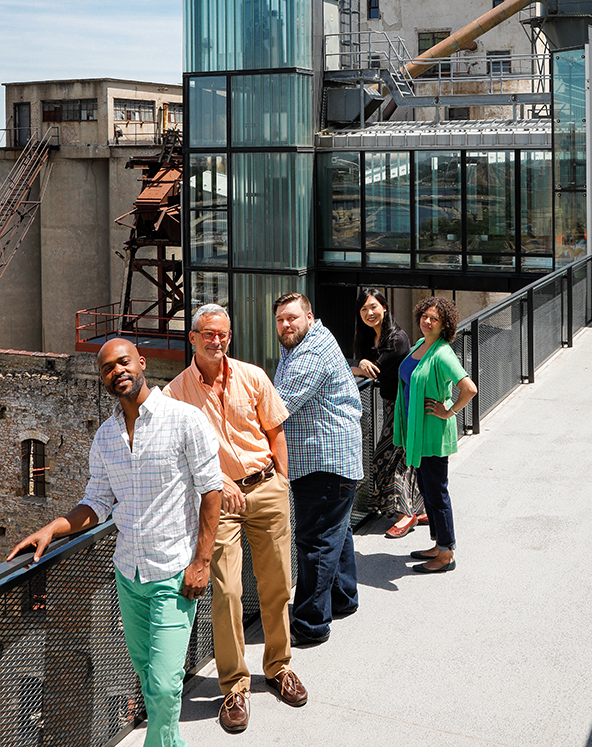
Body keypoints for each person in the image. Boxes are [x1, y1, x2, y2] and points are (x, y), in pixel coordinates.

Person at [7, 338, 223, 747]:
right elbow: (97, 503)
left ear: (140, 362)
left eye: (123, 362)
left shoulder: (184, 420)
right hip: (128, 575)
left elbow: (211, 491)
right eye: (107, 368)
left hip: (173, 573)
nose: (116, 371)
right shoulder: (105, 436)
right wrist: (52, 528)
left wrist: (202, 561)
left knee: (163, 683)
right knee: (147, 677)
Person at [164, 304, 307, 733]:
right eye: (208, 333)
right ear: (192, 338)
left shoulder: (253, 376)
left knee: (278, 581)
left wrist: (281, 482)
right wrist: (217, 481)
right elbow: (177, 457)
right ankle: (234, 686)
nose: (217, 341)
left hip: (265, 487)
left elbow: (275, 430)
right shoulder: (175, 394)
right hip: (217, 504)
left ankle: (279, 667)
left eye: (223, 334)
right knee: (226, 592)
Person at [272, 292, 363, 646]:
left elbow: (278, 406)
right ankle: (343, 598)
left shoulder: (310, 352)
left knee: (316, 543)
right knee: (335, 536)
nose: (286, 325)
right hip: (332, 460)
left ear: (309, 317)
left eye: (292, 318)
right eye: (280, 320)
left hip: (323, 463)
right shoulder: (306, 343)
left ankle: (310, 625)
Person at [394, 297, 477, 574]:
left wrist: (449, 410)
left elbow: (469, 388)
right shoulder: (420, 345)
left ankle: (446, 554)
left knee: (437, 493)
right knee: (427, 491)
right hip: (417, 431)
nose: (427, 321)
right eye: (424, 316)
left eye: (434, 319)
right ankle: (438, 544)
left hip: (432, 433)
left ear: (445, 326)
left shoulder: (443, 353)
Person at [351, 288, 426, 538]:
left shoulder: (397, 338)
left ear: (384, 307)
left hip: (404, 404)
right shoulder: (369, 335)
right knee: (396, 454)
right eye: (364, 309)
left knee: (388, 457)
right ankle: (419, 506)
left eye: (373, 307)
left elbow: (375, 371)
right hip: (389, 402)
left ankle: (407, 515)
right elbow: (363, 361)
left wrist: (355, 367)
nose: (369, 313)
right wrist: (360, 363)